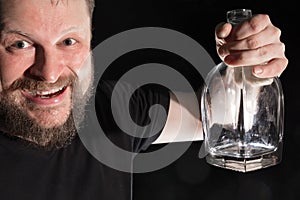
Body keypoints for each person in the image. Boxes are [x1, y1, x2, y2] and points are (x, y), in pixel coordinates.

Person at [0, 0, 288, 200]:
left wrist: (251, 70)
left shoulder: (108, 111)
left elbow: (223, 116)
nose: (49, 73)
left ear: (90, 40)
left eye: (68, 41)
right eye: (20, 44)